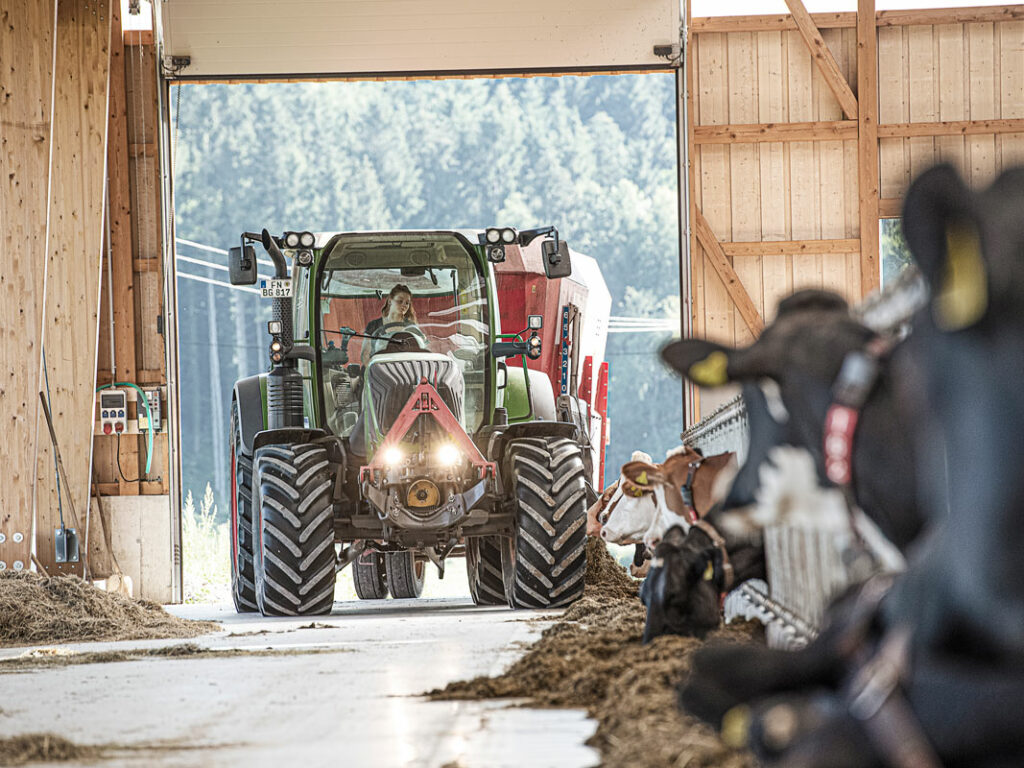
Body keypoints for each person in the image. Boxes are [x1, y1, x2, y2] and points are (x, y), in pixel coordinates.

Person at [361, 284, 419, 366]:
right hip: (379, 369)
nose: (404, 305)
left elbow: (420, 350)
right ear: (390, 301)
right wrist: (376, 370)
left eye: (407, 303)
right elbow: (365, 355)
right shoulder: (373, 325)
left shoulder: (411, 327)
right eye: (400, 301)